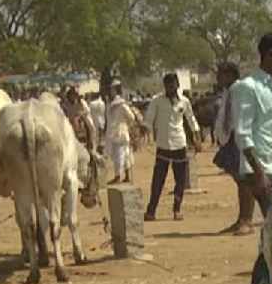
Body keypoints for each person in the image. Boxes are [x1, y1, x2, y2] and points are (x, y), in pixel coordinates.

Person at [233, 33, 272, 284]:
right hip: (258, 168)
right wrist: (259, 173)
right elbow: (243, 134)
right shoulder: (247, 87)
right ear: (269, 54)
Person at [144, 73, 200, 220]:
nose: (170, 87)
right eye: (167, 85)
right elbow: (149, 119)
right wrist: (143, 130)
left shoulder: (184, 101)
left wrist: (196, 137)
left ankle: (177, 209)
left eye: (173, 84)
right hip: (163, 146)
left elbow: (191, 119)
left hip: (179, 145)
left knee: (180, 180)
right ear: (164, 86)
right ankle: (151, 211)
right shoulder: (157, 101)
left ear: (177, 85)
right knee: (158, 180)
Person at [212, 61, 256, 235]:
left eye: (221, 74)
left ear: (230, 74)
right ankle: (241, 219)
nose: (218, 78)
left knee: (246, 181)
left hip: (240, 139)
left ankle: (248, 220)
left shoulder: (240, 90)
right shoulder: (228, 92)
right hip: (230, 139)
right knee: (240, 181)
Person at [105, 83, 140, 184]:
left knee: (120, 156)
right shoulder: (109, 104)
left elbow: (131, 117)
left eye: (112, 90)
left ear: (116, 91)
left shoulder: (121, 104)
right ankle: (126, 176)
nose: (110, 92)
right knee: (124, 155)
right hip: (113, 133)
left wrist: (125, 125)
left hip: (120, 133)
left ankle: (117, 176)